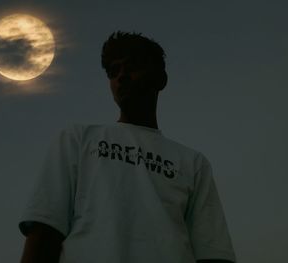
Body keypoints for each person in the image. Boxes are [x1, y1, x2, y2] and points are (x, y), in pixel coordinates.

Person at [18, 31, 237, 263]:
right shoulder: (78, 139)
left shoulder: (193, 163)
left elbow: (212, 251)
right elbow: (44, 231)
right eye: (114, 71)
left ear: (161, 79)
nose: (121, 76)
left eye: (133, 66)